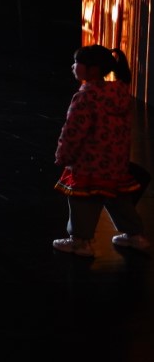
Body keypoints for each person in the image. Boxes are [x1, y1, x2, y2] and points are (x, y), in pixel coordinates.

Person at [51, 44, 150, 257]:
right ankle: (136, 236)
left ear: (93, 70)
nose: (73, 66)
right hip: (116, 162)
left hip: (89, 163)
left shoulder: (85, 97)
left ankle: (80, 242)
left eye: (77, 63)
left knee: (82, 202)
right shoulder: (119, 92)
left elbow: (73, 131)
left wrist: (63, 154)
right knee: (119, 199)